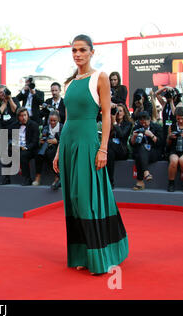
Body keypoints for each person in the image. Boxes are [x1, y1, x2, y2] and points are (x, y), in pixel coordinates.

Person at [53, 34, 128, 275]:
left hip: (88, 142)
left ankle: (100, 255)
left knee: (87, 199)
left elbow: (106, 115)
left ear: (92, 52)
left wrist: (103, 147)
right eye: (74, 50)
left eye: (82, 50)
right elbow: (65, 120)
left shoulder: (100, 77)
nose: (77, 54)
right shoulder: (69, 83)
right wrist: (57, 151)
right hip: (68, 143)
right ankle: (82, 254)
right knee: (73, 198)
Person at [130, 111, 163, 190]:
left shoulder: (156, 127)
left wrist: (151, 135)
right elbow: (132, 144)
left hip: (154, 152)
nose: (143, 124)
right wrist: (134, 136)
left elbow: (161, 143)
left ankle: (140, 181)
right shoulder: (137, 127)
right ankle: (146, 173)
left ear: (150, 120)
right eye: (141, 122)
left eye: (145, 122)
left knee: (140, 153)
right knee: (140, 152)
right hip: (141, 152)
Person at [33, 110, 63, 189]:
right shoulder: (45, 127)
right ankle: (38, 176)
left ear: (58, 120)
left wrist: (57, 141)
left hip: (58, 148)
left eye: (54, 121)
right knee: (38, 154)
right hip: (46, 147)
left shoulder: (62, 127)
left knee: (50, 154)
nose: (52, 122)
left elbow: (66, 140)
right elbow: (42, 138)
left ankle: (57, 177)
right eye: (51, 120)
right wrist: (42, 141)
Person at [106, 103, 133, 188]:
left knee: (110, 145)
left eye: (121, 111)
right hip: (112, 151)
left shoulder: (128, 124)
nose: (119, 113)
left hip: (122, 150)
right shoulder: (111, 122)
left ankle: (110, 181)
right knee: (110, 151)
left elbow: (122, 135)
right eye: (117, 111)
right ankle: (110, 182)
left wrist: (114, 123)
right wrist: (111, 121)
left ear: (124, 113)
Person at [11, 107, 40, 186]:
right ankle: (6, 178)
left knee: (23, 155)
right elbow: (11, 138)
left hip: (30, 149)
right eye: (21, 116)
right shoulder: (15, 125)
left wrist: (26, 147)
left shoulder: (34, 125)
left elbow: (34, 142)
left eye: (25, 115)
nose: (23, 117)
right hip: (18, 147)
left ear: (28, 115)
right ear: (18, 117)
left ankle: (27, 178)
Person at [166, 107, 183, 192]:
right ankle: (171, 183)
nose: (180, 121)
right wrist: (170, 137)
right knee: (174, 161)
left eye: (182, 119)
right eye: (178, 119)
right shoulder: (172, 126)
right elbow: (168, 144)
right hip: (174, 150)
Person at [156, 86, 178, 150]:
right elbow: (156, 94)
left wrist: (171, 101)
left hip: (173, 127)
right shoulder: (164, 104)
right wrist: (165, 87)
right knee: (164, 140)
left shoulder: (178, 104)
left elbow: (175, 113)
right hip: (165, 126)